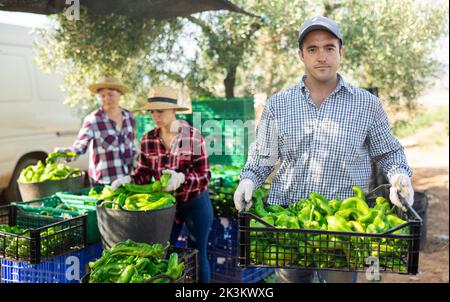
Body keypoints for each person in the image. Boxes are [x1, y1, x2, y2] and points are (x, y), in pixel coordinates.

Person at [233, 16, 414, 283]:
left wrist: (400, 175)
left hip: (344, 225)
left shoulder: (367, 104)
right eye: (312, 49)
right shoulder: (278, 105)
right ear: (301, 55)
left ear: (341, 52)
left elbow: (388, 152)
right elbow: (263, 157)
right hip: (288, 222)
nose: (322, 56)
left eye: (329, 47)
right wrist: (248, 179)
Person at [111, 85, 213, 283]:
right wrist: (128, 180)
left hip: (195, 204)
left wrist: (182, 179)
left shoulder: (192, 136)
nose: (155, 116)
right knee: (161, 255)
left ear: (174, 110)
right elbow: (143, 173)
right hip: (165, 207)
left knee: (198, 255)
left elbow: (204, 175)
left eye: (160, 111)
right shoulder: (148, 139)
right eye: (152, 111)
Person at [55, 77, 137, 186]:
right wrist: (64, 153)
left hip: (127, 179)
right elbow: (80, 145)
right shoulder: (93, 119)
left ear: (119, 94)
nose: (107, 98)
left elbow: (132, 145)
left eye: (110, 94)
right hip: (104, 181)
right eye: (103, 96)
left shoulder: (129, 116)